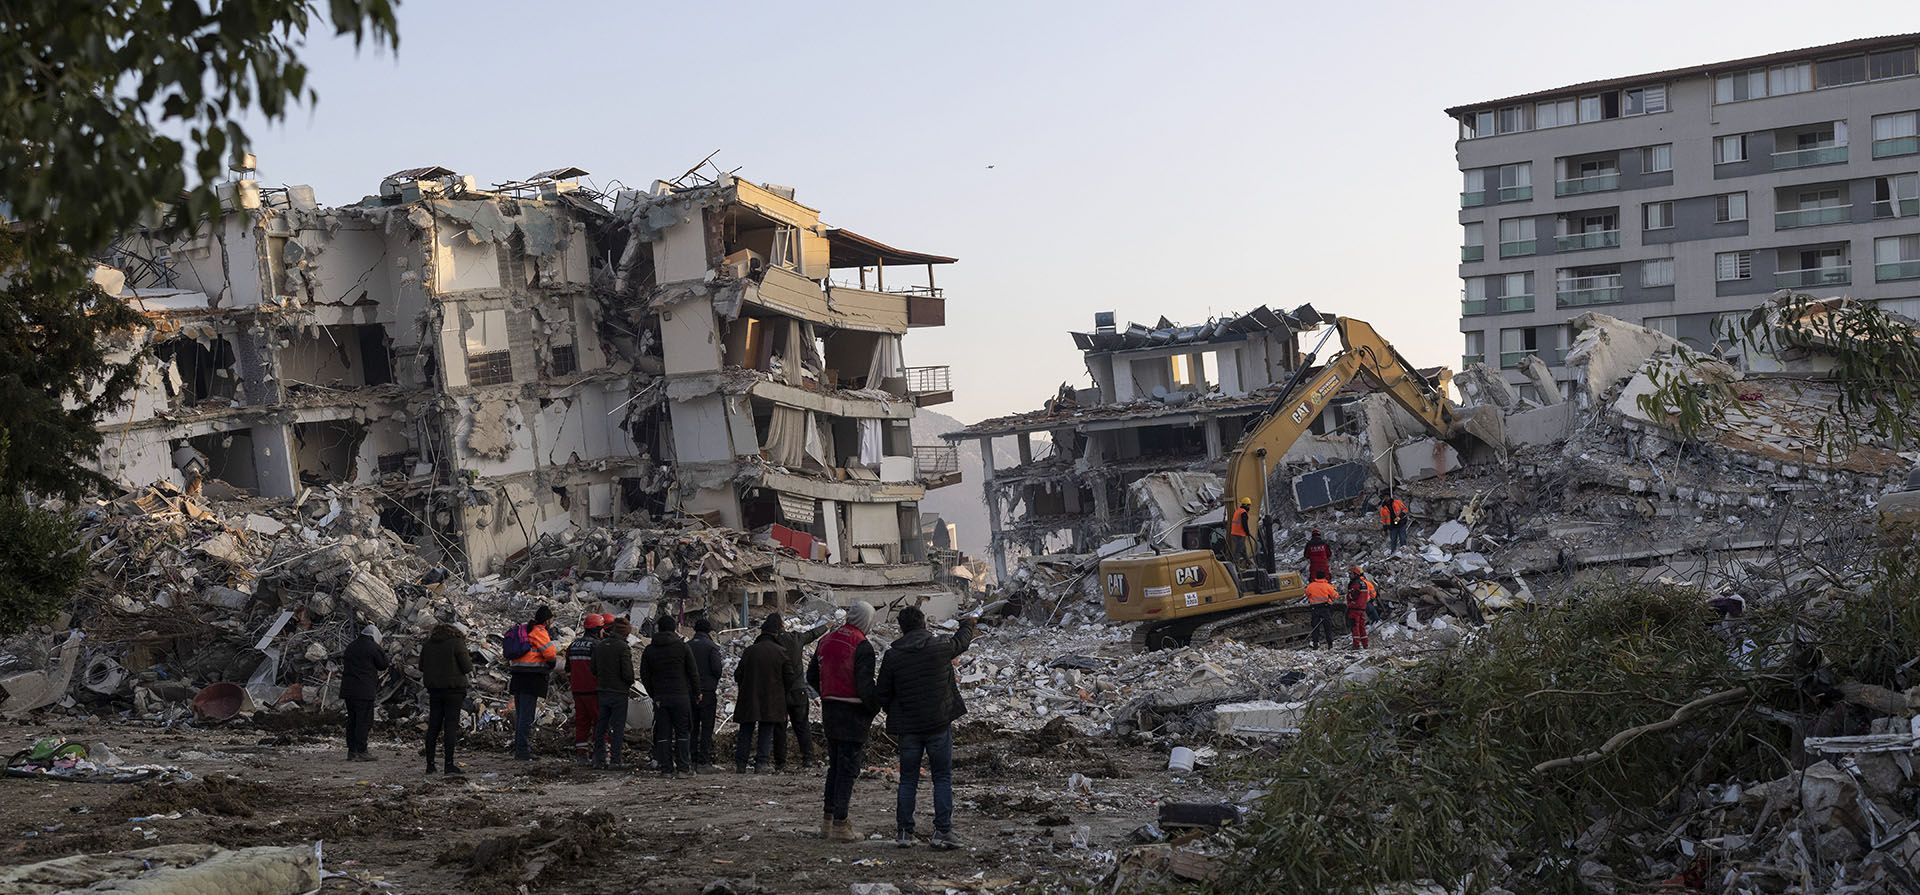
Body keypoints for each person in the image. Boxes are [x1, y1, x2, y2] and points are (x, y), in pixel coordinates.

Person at [877, 606, 976, 851]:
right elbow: (961, 642)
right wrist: (968, 623)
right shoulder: (939, 647)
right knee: (942, 777)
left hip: (908, 726)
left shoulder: (893, 656)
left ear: (901, 628)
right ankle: (942, 831)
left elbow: (883, 693)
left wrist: (895, 711)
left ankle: (904, 832)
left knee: (908, 780)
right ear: (923, 624)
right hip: (938, 723)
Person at [807, 601, 879, 843]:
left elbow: (811, 676)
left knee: (835, 767)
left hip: (830, 710)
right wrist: (874, 707)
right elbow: (865, 684)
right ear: (866, 620)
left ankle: (827, 821)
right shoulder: (862, 646)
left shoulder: (825, 640)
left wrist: (827, 693)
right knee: (848, 769)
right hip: (853, 713)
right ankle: (841, 823)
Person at [640, 616, 701, 777]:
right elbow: (692, 672)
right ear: (674, 628)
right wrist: (697, 692)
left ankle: (666, 769)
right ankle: (683, 768)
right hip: (681, 696)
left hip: (661, 698)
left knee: (663, 733)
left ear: (658, 628)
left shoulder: (650, 650)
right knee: (683, 732)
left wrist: (654, 693)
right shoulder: (682, 647)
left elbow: (644, 675)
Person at [734, 615, 795, 773]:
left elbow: (737, 675)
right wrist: (781, 692)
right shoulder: (781, 652)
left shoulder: (750, 651)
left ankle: (741, 764)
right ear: (776, 632)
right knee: (766, 730)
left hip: (749, 698)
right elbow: (790, 678)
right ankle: (761, 763)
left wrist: (746, 687)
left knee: (746, 730)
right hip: (772, 699)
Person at [769, 613, 829, 772]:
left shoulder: (771, 642)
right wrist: (826, 626)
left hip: (779, 692)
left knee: (779, 728)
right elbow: (812, 634)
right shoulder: (796, 638)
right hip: (798, 691)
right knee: (802, 726)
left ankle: (780, 762)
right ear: (782, 624)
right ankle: (807, 759)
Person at [506, 606, 560, 761]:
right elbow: (550, 654)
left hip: (518, 677)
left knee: (521, 713)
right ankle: (522, 751)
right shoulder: (539, 631)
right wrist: (551, 665)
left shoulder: (525, 630)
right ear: (547, 620)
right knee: (526, 716)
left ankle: (520, 748)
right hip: (531, 678)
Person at [419, 621, 473, 775]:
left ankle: (430, 765)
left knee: (433, 726)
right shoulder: (457, 643)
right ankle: (448, 765)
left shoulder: (428, 645)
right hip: (454, 691)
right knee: (450, 727)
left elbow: (421, 666)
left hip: (435, 690)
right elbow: (467, 667)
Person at [589, 618, 636, 769]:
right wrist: (628, 683)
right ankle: (616, 760)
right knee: (617, 727)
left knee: (601, 725)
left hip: (602, 690)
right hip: (618, 692)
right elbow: (628, 673)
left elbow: (593, 669)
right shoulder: (623, 648)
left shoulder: (600, 645)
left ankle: (598, 758)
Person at [342, 623, 389, 762]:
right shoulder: (373, 647)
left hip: (348, 689)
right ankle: (362, 750)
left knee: (352, 720)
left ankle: (352, 751)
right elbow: (383, 664)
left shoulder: (351, 646)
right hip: (364, 689)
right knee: (364, 721)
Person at [566, 613, 606, 764]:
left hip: (577, 690)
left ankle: (581, 754)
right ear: (597, 629)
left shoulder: (573, 645)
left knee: (582, 723)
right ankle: (599, 754)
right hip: (593, 690)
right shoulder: (597, 646)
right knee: (599, 722)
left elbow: (567, 668)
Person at [687, 618, 726, 771]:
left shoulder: (687, 646)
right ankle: (704, 761)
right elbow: (717, 669)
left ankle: (691, 758)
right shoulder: (711, 647)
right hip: (708, 692)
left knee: (692, 726)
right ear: (709, 631)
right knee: (707, 727)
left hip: (690, 692)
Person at [1304, 572, 1340, 650]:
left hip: (1314, 608)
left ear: (1316, 577)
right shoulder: (1327, 586)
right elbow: (1335, 596)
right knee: (1328, 627)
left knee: (1315, 626)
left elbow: (1306, 593)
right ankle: (1330, 644)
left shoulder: (1310, 586)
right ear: (1324, 577)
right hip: (1325, 608)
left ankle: (1315, 643)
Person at [1345, 566, 1375, 649]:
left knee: (1355, 627)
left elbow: (1353, 595)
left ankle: (1356, 645)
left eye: (1351, 574)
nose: (1349, 575)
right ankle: (1365, 644)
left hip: (1354, 609)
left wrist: (1349, 597)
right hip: (1362, 608)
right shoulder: (1364, 583)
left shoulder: (1355, 584)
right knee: (1362, 627)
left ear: (1356, 574)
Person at [1228, 497, 1255, 567]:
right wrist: (1247, 532)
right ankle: (1234, 565)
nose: (1249, 507)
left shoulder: (1237, 511)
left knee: (1243, 550)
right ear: (1246, 505)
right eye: (1249, 505)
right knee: (1238, 551)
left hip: (1234, 534)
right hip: (1240, 534)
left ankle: (1249, 563)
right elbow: (1244, 524)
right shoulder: (1243, 513)